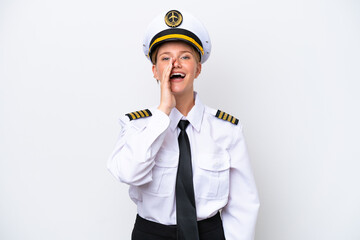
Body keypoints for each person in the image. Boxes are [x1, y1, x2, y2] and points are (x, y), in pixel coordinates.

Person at [107, 9, 260, 240]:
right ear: (155, 71)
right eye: (165, 58)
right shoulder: (136, 126)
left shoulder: (226, 130)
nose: (175, 64)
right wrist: (163, 111)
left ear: (198, 68)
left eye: (185, 57)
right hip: (151, 234)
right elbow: (128, 172)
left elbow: (243, 204)